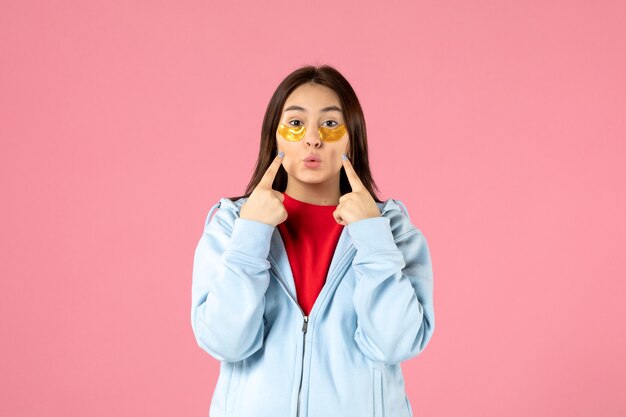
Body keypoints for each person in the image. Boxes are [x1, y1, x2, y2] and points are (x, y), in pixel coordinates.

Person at [191, 64, 435, 417]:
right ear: (274, 134)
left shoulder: (392, 231)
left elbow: (395, 343)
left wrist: (372, 235)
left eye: (331, 124)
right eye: (295, 123)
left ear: (353, 136)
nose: (313, 138)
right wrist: (251, 238)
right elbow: (226, 342)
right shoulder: (232, 226)